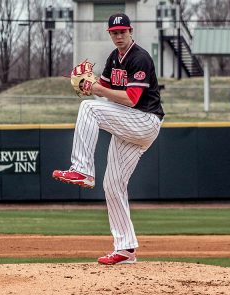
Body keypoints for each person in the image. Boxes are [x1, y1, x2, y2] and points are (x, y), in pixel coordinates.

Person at [52, 13, 164, 265]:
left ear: (130, 31)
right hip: (129, 125)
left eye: (123, 31)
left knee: (89, 109)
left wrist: (96, 90)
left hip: (145, 120)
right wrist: (86, 86)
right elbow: (101, 92)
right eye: (114, 32)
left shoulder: (140, 58)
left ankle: (81, 169)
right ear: (110, 34)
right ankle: (125, 249)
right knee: (113, 186)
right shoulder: (114, 59)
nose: (119, 35)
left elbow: (131, 99)